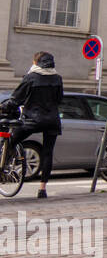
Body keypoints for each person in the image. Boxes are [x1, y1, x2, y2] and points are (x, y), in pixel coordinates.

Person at [8, 51, 63, 199]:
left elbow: (16, 99)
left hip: (32, 119)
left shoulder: (31, 77)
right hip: (52, 119)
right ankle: (42, 189)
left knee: (12, 139)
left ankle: (6, 164)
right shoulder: (57, 78)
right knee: (47, 153)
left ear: (36, 62)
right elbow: (59, 99)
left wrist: (6, 107)